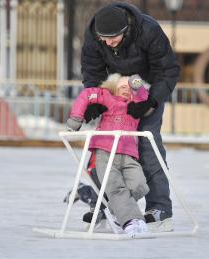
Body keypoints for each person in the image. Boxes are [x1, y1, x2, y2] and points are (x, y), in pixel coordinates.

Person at [80, 2, 179, 231]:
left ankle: (159, 207)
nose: (108, 43)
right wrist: (96, 101)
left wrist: (151, 101)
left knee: (147, 145)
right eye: (104, 38)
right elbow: (92, 71)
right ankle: (103, 203)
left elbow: (166, 70)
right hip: (115, 95)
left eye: (113, 38)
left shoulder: (149, 30)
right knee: (104, 146)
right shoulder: (94, 35)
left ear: (126, 30)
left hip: (147, 94)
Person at [66, 73, 150, 235]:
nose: (126, 90)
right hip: (105, 150)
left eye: (129, 87)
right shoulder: (108, 98)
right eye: (122, 87)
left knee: (140, 185)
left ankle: (114, 211)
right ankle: (130, 221)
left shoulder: (136, 105)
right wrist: (76, 118)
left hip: (128, 153)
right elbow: (86, 95)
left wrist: (136, 84)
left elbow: (143, 96)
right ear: (114, 89)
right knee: (116, 188)